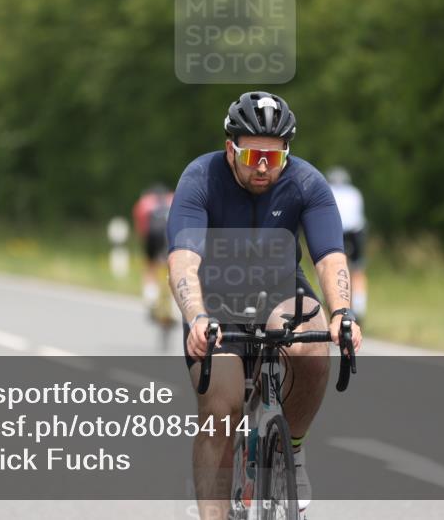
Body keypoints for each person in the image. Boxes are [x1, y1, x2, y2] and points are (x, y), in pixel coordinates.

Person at [167, 91, 363, 520]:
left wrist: (342, 313)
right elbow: (184, 259)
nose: (262, 167)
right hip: (215, 299)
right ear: (230, 149)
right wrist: (196, 316)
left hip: (278, 290)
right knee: (222, 409)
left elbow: (329, 256)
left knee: (312, 346)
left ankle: (292, 451)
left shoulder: (307, 182)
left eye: (274, 158)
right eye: (253, 155)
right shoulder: (200, 178)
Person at [326, 166, 369, 320]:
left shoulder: (327, 190)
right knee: (357, 270)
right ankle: (359, 308)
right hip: (355, 233)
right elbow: (359, 218)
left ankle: (329, 302)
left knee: (329, 266)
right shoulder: (354, 192)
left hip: (334, 231)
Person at [132, 183, 175, 325]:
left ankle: (150, 298)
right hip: (170, 235)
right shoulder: (173, 198)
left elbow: (141, 230)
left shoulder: (144, 202)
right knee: (174, 268)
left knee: (150, 267)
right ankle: (174, 307)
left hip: (152, 236)